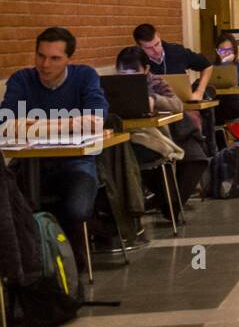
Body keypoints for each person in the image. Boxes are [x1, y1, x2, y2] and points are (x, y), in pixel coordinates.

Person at [1, 28, 107, 270]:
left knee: (77, 208)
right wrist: (70, 122)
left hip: (76, 161)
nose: (45, 64)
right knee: (13, 207)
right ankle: (36, 266)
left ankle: (68, 261)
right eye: (40, 56)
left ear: (69, 58)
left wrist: (32, 125)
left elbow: (96, 120)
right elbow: (5, 125)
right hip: (28, 163)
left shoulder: (85, 76)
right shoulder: (21, 79)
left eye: (55, 58)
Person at [114, 46, 208, 204]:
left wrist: (156, 101)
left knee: (195, 159)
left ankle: (169, 203)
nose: (128, 78)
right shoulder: (113, 86)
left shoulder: (156, 83)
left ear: (146, 69)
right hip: (137, 135)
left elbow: (177, 105)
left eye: (133, 73)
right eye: (123, 73)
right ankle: (164, 202)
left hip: (171, 131)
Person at [132, 23, 213, 101]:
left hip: (181, 104)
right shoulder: (136, 61)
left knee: (193, 115)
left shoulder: (177, 52)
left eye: (157, 44)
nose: (156, 51)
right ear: (139, 47)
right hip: (153, 106)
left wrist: (199, 92)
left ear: (159, 36)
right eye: (149, 48)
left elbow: (207, 66)